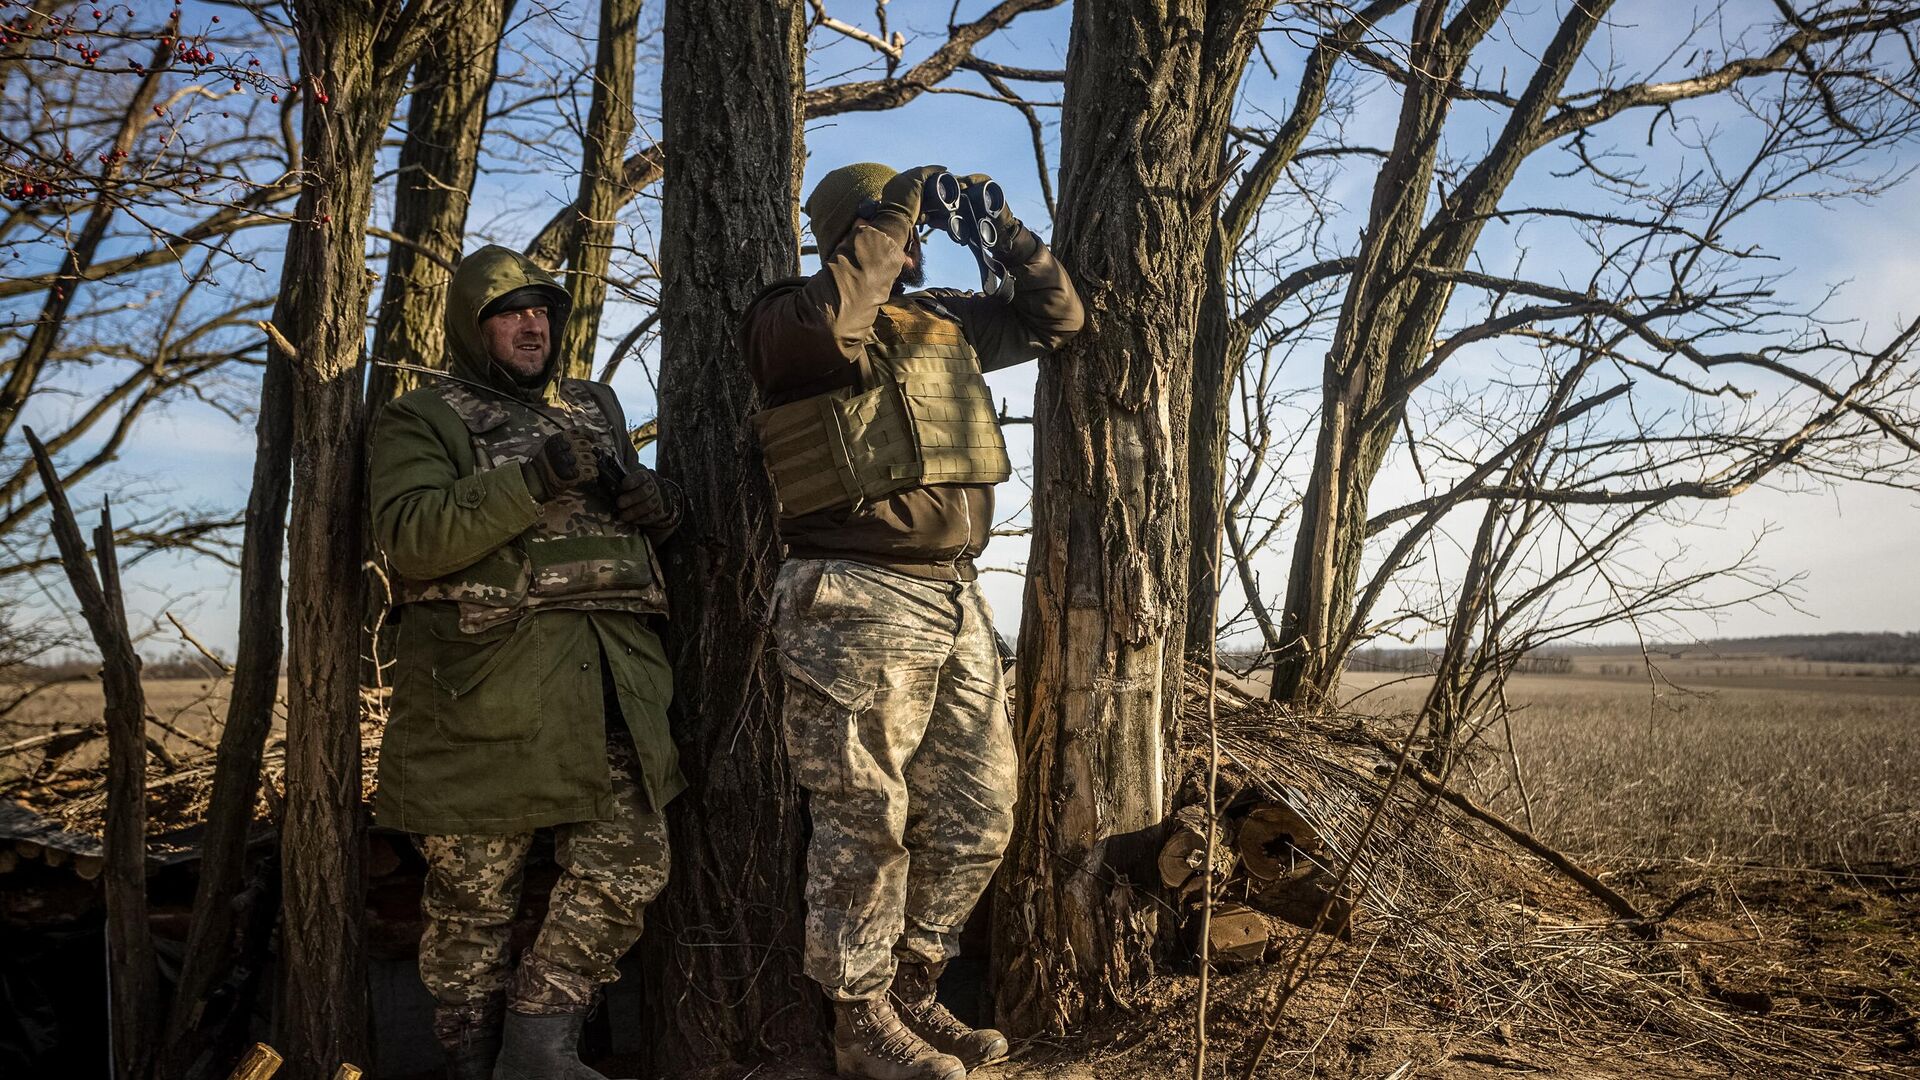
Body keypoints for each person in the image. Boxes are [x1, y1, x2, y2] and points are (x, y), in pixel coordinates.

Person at [742, 164, 1084, 1080]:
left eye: (911, 222)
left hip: (953, 592)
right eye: (889, 224)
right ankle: (860, 1025)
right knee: (866, 818)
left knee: (982, 808)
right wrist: (894, 205)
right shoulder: (792, 318)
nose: (912, 235)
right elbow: (831, 319)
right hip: (854, 592)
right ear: (848, 233)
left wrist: (1006, 231)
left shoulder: (942, 320)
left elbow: (1058, 321)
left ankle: (912, 985)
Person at [368, 244, 686, 1080]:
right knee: (472, 907)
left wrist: (655, 506)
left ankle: (539, 1044)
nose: (532, 322)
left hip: (611, 682)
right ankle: (473, 1066)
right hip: (486, 693)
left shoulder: (594, 406)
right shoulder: (423, 417)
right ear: (473, 329)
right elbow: (413, 536)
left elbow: (624, 531)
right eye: (509, 311)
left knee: (631, 862)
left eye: (543, 308)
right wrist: (530, 481)